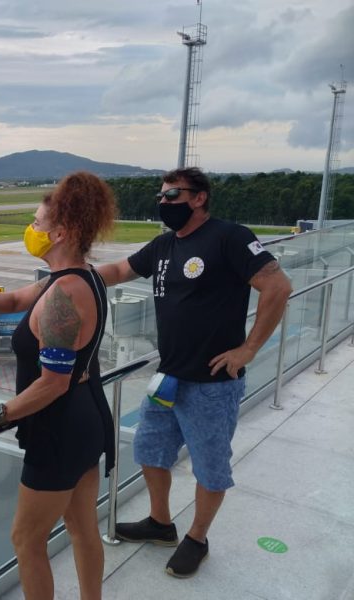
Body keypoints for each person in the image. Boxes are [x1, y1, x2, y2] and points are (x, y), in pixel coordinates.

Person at [97, 167, 292, 578]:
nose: (163, 203)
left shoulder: (229, 237)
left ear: (199, 197)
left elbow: (278, 287)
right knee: (150, 452)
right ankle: (161, 523)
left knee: (210, 467)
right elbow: (117, 272)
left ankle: (197, 539)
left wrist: (249, 348)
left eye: (171, 195)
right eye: (161, 196)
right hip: (168, 378)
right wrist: (72, 275)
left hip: (213, 386)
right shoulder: (164, 245)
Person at [0, 172, 116, 600]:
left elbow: (53, 384)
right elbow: (18, 299)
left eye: (37, 224)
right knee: (82, 527)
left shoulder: (62, 297)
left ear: (61, 232)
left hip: (58, 429)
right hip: (89, 417)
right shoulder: (80, 278)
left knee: (26, 540)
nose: (31, 231)